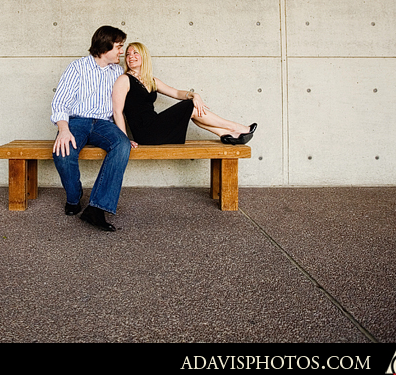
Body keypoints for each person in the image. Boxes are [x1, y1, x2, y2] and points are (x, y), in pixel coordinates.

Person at [51, 26, 132, 232]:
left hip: (104, 124)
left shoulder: (118, 72)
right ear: (105, 46)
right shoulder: (77, 67)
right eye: (118, 47)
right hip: (76, 122)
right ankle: (74, 196)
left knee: (122, 145)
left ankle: (96, 209)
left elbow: (121, 106)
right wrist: (63, 129)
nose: (121, 51)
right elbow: (60, 103)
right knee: (63, 152)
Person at [112, 42, 257, 147]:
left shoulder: (151, 80)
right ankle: (236, 128)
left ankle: (224, 134)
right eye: (128, 54)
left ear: (143, 56)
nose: (131, 56)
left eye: (135, 53)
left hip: (154, 125)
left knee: (191, 110)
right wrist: (124, 140)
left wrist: (195, 95)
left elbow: (175, 92)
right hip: (145, 131)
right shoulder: (124, 79)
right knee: (189, 107)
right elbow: (117, 112)